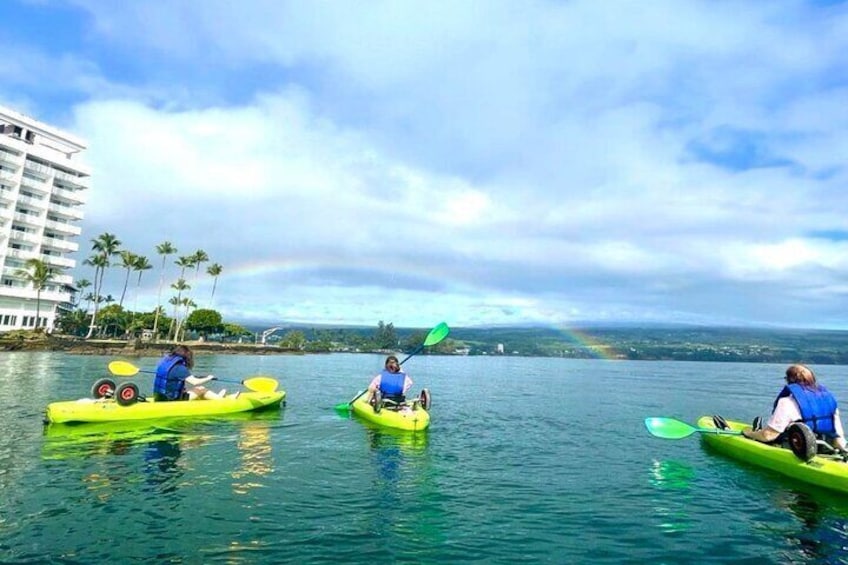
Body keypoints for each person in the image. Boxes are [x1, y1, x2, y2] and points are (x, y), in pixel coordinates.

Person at [742, 364, 847, 451]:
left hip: (799, 446)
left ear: (789, 380)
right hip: (826, 445)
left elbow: (768, 436)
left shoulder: (787, 402)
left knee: (767, 435)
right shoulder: (828, 400)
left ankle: (756, 430)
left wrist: (749, 434)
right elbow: (838, 435)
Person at [152, 344, 228, 401]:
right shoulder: (180, 368)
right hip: (172, 400)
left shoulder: (164, 363)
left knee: (196, 389)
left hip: (158, 397)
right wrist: (209, 378)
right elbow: (195, 382)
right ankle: (220, 400)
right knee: (201, 389)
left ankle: (215, 397)